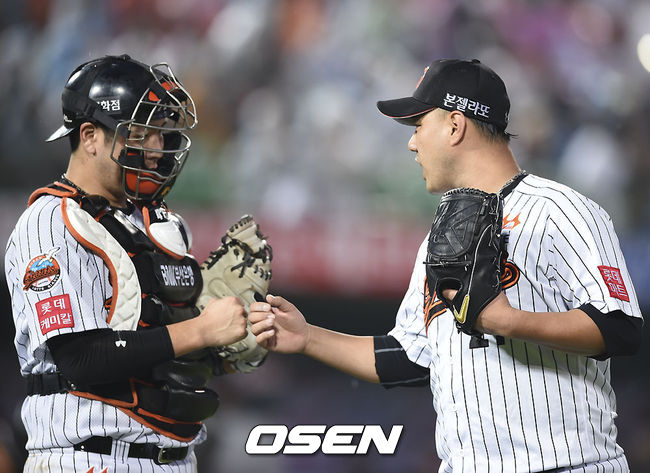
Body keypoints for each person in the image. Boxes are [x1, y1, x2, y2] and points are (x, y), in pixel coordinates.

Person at [249, 59, 643, 472]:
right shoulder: (439, 241)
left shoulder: (559, 210)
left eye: (418, 125)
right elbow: (408, 357)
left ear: (455, 126)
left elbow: (620, 327)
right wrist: (308, 337)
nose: (411, 143)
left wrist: (508, 321)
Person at [4, 54, 249, 472]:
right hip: (87, 457)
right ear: (90, 136)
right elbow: (81, 358)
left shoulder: (161, 224)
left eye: (160, 133)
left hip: (175, 458)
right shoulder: (51, 221)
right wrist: (202, 329)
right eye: (139, 133)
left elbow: (159, 349)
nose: (156, 148)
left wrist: (226, 347)